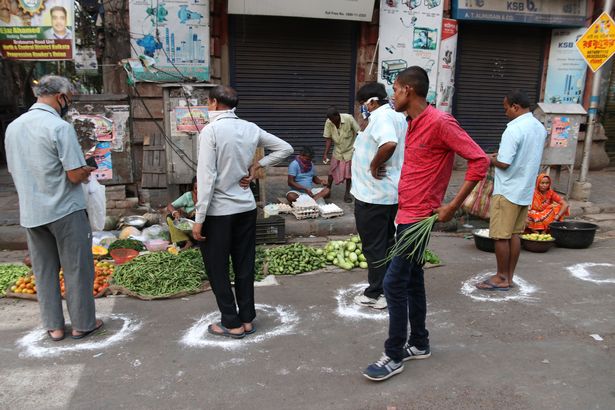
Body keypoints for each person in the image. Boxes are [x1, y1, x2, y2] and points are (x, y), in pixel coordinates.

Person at [363, 67, 489, 381]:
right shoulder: (411, 122)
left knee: (392, 284)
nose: (392, 96)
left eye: (395, 89)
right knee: (412, 280)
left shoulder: (440, 122)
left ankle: (394, 355)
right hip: (406, 214)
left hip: (419, 219)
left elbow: (479, 160)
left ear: (408, 89)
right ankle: (419, 343)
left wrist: (452, 206)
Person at [4, 75, 103, 341]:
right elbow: (74, 175)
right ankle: (83, 324)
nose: (68, 104)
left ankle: (54, 327)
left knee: (44, 271)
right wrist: (87, 167)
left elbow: (15, 169)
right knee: (76, 268)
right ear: (61, 97)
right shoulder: (59, 127)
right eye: (69, 99)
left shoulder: (13, 127)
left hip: (32, 212)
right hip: (65, 210)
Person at [192, 85, 293, 339]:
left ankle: (231, 322)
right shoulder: (250, 128)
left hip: (218, 212)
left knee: (217, 268)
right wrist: (257, 165)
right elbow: (285, 148)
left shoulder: (210, 131)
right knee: (244, 264)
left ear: (214, 103)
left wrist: (199, 219)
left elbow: (206, 178)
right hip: (246, 208)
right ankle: (247, 319)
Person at [476, 90, 547, 291]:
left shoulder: (513, 129)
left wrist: (488, 158)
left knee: (500, 236)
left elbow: (505, 163)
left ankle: (501, 277)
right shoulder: (539, 127)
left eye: (506, 108)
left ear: (515, 107)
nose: (505, 112)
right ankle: (509, 276)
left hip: (507, 189)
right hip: (524, 189)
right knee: (514, 234)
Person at [351, 82, 407, 310]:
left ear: (372, 102)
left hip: (373, 196)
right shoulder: (394, 116)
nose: (361, 109)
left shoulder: (382, 117)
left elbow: (389, 143)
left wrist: (374, 165)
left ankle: (377, 293)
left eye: (362, 105)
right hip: (386, 194)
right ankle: (390, 287)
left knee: (374, 247)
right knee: (386, 244)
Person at [322, 106, 360, 203]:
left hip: (349, 151)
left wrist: (359, 149)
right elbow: (328, 139)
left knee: (349, 175)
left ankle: (347, 193)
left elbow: (359, 133)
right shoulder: (329, 122)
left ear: (338, 116)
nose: (332, 122)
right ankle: (328, 190)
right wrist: (325, 153)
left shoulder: (349, 118)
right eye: (330, 120)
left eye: (333, 120)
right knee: (331, 171)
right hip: (337, 151)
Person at [166, 176, 197, 249]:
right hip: (190, 224)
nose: (198, 191)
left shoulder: (209, 196)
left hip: (203, 223)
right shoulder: (188, 196)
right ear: (193, 188)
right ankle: (188, 241)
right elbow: (170, 206)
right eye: (196, 188)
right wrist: (175, 212)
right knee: (170, 217)